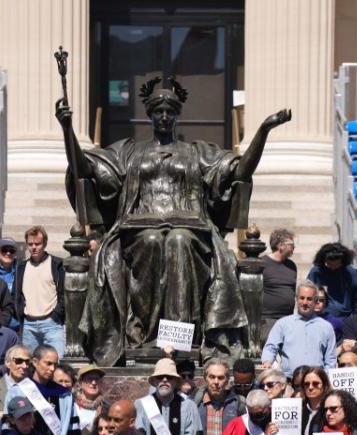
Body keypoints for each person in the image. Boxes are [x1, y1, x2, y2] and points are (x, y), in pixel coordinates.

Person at [57, 78, 289, 366]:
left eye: (170, 112)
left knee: (178, 240)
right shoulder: (129, 152)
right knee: (153, 241)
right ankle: (143, 333)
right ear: (150, 115)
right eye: (158, 112)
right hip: (138, 228)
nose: (164, 117)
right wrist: (67, 129)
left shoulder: (196, 152)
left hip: (191, 228)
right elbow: (84, 169)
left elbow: (240, 171)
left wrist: (262, 131)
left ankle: (179, 339)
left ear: (178, 115)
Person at [134, 358, 201, 435]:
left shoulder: (189, 407)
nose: (164, 380)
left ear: (176, 381)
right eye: (160, 377)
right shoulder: (141, 405)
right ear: (154, 381)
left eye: (169, 377)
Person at [261, 281, 337, 375]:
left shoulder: (326, 327)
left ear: (315, 301)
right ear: (296, 299)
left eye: (309, 299)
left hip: (315, 382)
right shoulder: (283, 324)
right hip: (289, 380)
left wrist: (324, 377)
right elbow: (270, 347)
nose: (305, 302)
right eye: (302, 298)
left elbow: (331, 359)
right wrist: (267, 361)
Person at [13, 226, 65, 355]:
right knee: (29, 367)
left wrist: (55, 315)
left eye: (38, 244)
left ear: (45, 244)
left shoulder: (57, 264)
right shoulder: (21, 267)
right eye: (30, 244)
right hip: (29, 325)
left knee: (57, 365)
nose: (34, 247)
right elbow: (16, 295)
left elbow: (65, 295)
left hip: (52, 324)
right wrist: (21, 315)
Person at [307, 242, 357, 319]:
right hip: (320, 319)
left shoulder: (350, 273)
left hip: (345, 319)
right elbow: (308, 295)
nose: (333, 268)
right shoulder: (316, 272)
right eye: (329, 264)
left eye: (336, 265)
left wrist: (355, 319)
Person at [260, 229, 298, 338]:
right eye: (291, 245)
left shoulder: (292, 266)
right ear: (281, 246)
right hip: (267, 320)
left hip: (287, 319)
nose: (294, 248)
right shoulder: (262, 263)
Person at [0, 344, 31, 409]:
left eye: (27, 362)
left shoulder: (35, 389)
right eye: (19, 361)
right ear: (7, 363)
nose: (24, 366)